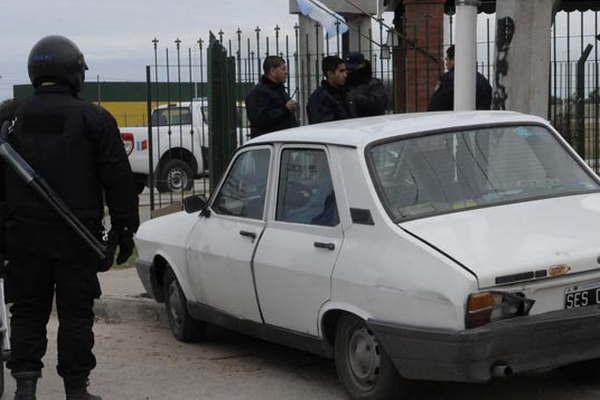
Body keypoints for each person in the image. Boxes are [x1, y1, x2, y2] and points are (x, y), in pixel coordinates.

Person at [0, 35, 139, 400]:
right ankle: (76, 390)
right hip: (76, 239)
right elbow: (118, 180)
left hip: (23, 238)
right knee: (76, 315)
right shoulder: (94, 118)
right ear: (74, 73)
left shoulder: (9, 117)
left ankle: (25, 388)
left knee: (27, 313)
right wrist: (125, 231)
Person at [245, 56, 298, 138]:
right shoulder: (258, 93)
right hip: (267, 144)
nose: (286, 72)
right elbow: (260, 119)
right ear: (272, 71)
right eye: (283, 69)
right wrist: (285, 109)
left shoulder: (280, 90)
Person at [428, 45, 493, 111]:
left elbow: (436, 105)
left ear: (454, 60)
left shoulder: (448, 79)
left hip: (455, 119)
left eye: (447, 60)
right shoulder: (483, 80)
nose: (446, 64)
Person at [307, 56, 355, 124]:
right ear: (330, 74)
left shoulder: (345, 92)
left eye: (345, 71)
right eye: (341, 71)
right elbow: (325, 126)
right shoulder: (320, 98)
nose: (345, 75)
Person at [344, 52, 389, 117]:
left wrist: (354, 97)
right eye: (348, 69)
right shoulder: (344, 84)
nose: (349, 72)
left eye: (353, 69)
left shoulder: (374, 84)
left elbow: (379, 106)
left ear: (362, 66)